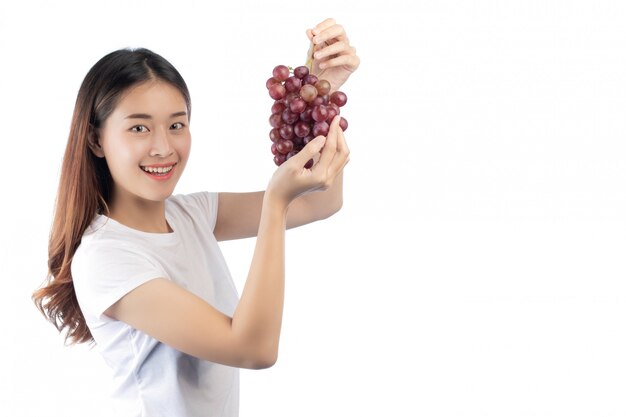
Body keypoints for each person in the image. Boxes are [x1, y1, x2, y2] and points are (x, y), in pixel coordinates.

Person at [31, 18, 359, 417]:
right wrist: (274, 204)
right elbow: (253, 349)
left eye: (176, 125)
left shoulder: (192, 213)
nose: (162, 147)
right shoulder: (106, 258)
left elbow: (320, 203)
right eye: (139, 127)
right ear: (96, 139)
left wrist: (320, 100)